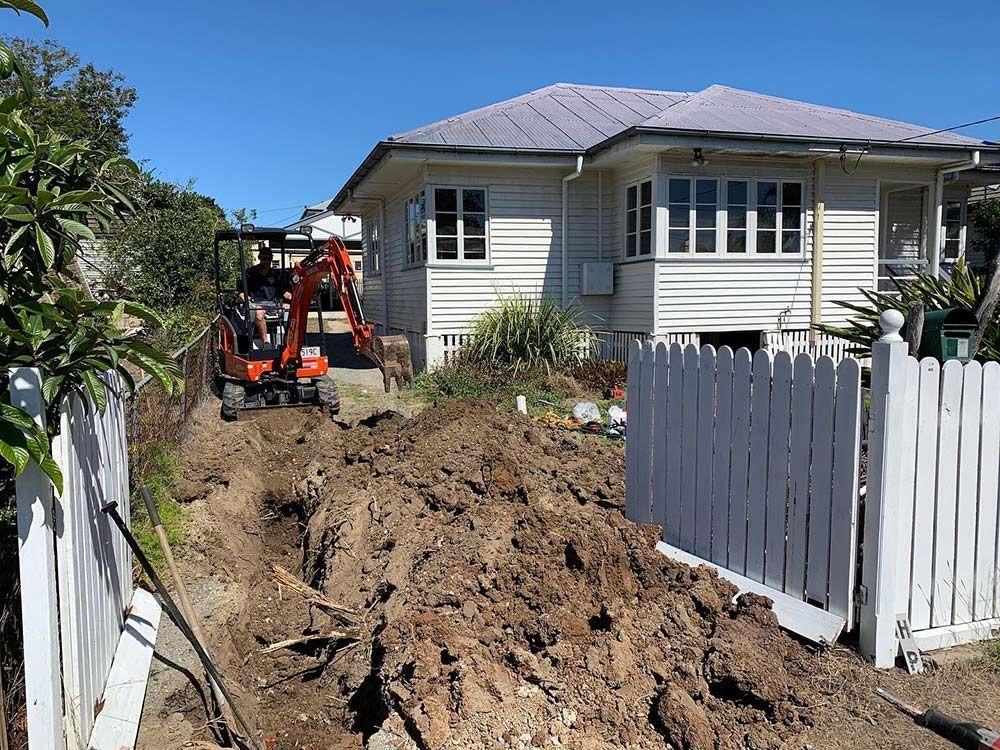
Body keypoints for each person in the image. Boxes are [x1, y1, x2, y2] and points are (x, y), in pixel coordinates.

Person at [241, 246, 290, 342]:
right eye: (264, 258)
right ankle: (265, 342)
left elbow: (282, 291)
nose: (266, 261)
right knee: (259, 312)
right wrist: (249, 300)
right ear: (259, 258)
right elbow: (242, 293)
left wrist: (291, 296)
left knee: (289, 309)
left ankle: (288, 341)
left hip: (273, 304)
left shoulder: (276, 274)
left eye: (269, 259)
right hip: (256, 303)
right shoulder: (250, 273)